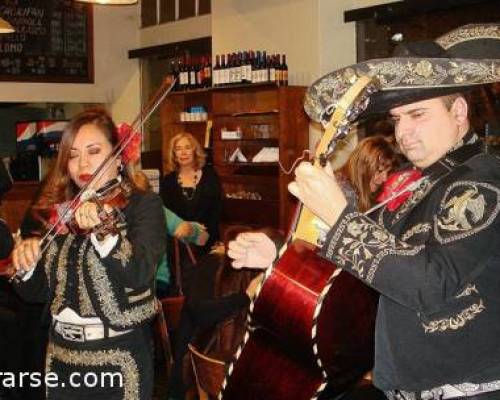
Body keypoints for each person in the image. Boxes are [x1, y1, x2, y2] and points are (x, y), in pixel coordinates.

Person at [230, 24, 500, 400]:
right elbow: (366, 262)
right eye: (397, 119)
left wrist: (341, 217)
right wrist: (278, 254)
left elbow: (431, 286)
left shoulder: (481, 182)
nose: (404, 132)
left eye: (417, 114)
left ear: (458, 111)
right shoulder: (413, 182)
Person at [11, 108, 166, 399]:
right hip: (61, 357)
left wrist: (105, 230)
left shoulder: (142, 205)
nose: (82, 162)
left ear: (118, 157)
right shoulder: (60, 211)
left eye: (94, 151)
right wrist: (28, 264)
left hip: (119, 359)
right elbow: (39, 294)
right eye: (73, 154)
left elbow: (141, 273)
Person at [160, 132, 222, 257]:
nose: (183, 153)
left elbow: (218, 211)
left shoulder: (210, 176)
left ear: (195, 151)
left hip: (208, 243)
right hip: (179, 245)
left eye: (188, 147)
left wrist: (211, 239)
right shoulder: (168, 181)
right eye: (178, 149)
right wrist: (188, 230)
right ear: (174, 154)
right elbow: (166, 215)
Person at [156, 207, 209, 298]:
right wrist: (193, 228)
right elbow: (202, 238)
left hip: (151, 283)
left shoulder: (151, 206)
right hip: (157, 282)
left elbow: (202, 238)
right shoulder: (152, 206)